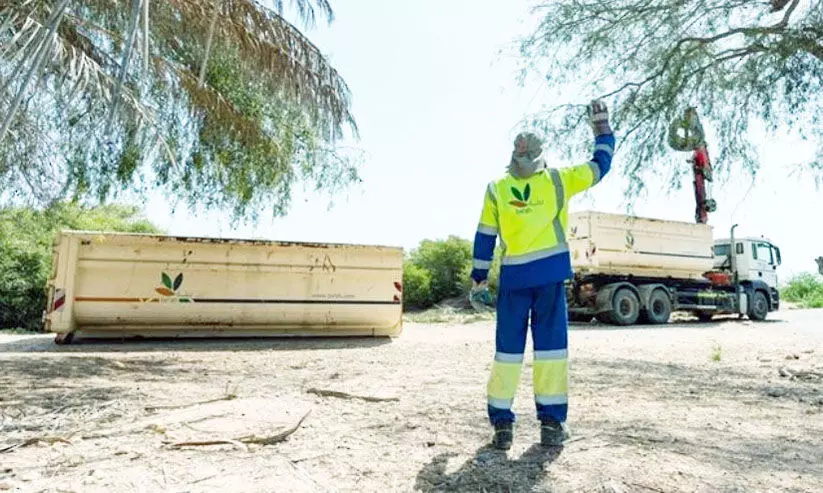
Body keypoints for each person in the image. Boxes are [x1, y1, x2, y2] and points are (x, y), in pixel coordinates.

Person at [469, 100, 615, 450]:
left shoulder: (497, 189)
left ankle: (502, 427)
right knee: (551, 351)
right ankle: (551, 425)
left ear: (514, 156)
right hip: (549, 279)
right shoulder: (558, 180)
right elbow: (600, 166)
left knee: (507, 353)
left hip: (514, 282)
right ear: (540, 155)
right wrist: (602, 129)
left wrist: (478, 280)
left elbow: (485, 235)